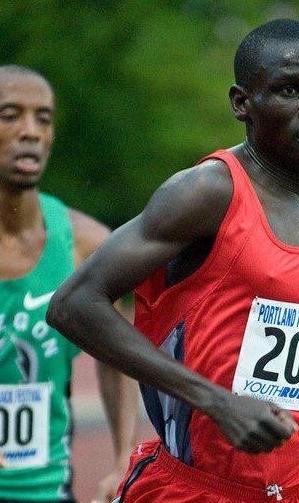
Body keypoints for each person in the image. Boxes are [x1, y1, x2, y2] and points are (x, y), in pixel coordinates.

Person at [47, 20, 299, 503]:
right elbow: (73, 304)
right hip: (199, 488)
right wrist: (216, 402)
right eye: (290, 90)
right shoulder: (208, 192)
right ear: (241, 103)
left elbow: (293, 327)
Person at [0, 65, 138, 503]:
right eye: (9, 115)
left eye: (43, 119)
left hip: (46, 489)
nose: (30, 132)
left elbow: (117, 355)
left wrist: (121, 461)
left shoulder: (85, 245)